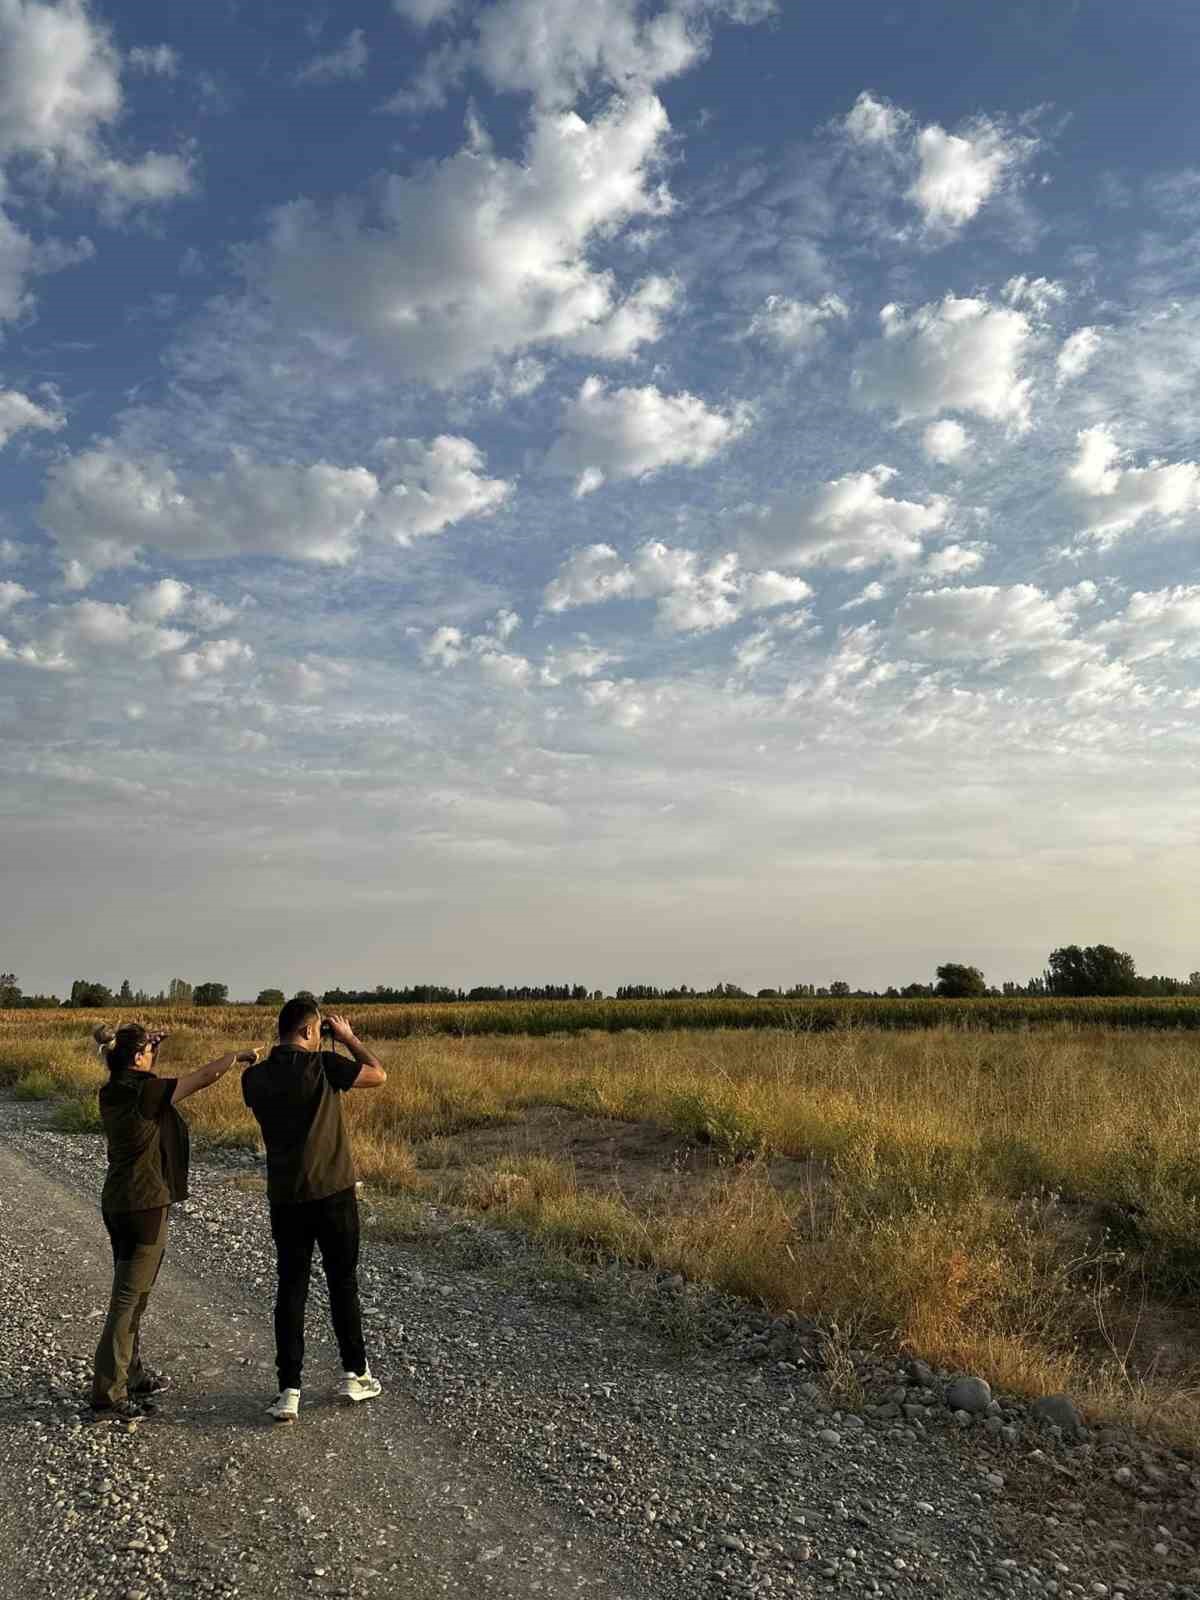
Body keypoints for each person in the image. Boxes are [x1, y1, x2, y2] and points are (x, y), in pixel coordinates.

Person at [91, 1022, 255, 1419]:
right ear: (136, 1058)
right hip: (145, 1206)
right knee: (128, 1301)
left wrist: (151, 1048)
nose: (152, 1054)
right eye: (147, 1049)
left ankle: (132, 1374)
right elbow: (201, 1078)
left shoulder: (114, 1090)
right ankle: (107, 1395)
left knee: (134, 1295)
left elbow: (143, 1073)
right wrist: (237, 1057)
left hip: (118, 1202)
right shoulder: (146, 1093)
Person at [240, 998, 387, 1424]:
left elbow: (269, 1075)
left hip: (286, 1196)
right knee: (342, 1283)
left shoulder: (254, 1078)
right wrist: (348, 1038)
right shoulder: (325, 1065)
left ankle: (289, 1390)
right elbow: (379, 1075)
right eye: (319, 1028)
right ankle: (355, 1373)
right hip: (333, 1193)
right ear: (310, 1031)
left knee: (291, 1288)